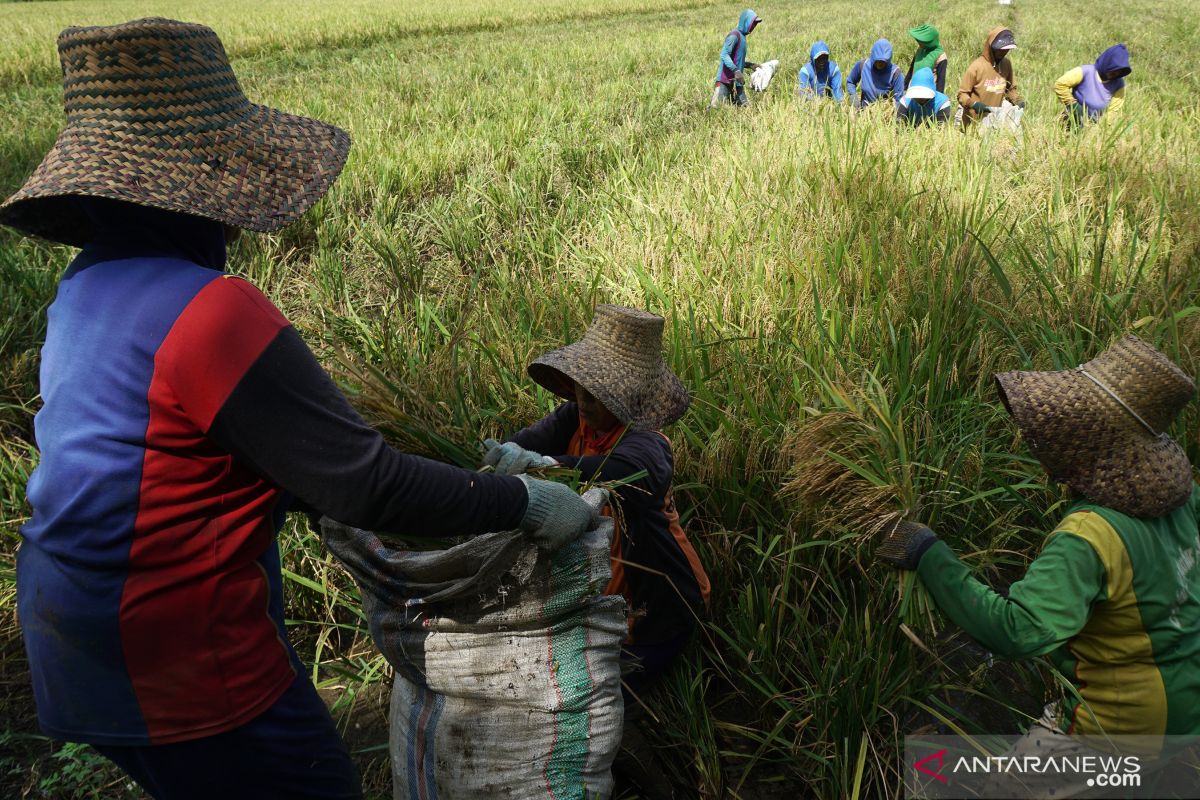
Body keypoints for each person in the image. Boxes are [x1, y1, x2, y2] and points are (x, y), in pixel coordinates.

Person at [0, 18, 599, 800]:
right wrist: (523, 500)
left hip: (71, 633)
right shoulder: (213, 311)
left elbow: (169, 451)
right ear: (204, 180)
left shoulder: (83, 288)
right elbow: (367, 485)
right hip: (179, 654)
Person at [879, 336, 1200, 787]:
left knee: (995, 790)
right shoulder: (1185, 499)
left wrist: (929, 554)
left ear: (1082, 448)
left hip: (1120, 731)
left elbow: (1019, 632)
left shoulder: (1090, 536)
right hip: (1187, 709)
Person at [482, 305, 711, 699]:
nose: (583, 402)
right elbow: (528, 441)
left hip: (657, 610)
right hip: (601, 596)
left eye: (596, 395)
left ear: (628, 398)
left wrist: (548, 466)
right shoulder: (578, 417)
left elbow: (627, 472)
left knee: (608, 697)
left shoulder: (648, 447)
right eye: (579, 390)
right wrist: (503, 461)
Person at [958, 27, 1024, 127]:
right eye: (1000, 50)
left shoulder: (1006, 64)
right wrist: (974, 104)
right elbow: (962, 95)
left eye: (1007, 50)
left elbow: (1010, 89)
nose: (1004, 52)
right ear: (991, 47)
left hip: (995, 120)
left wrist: (1018, 100)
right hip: (975, 121)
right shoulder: (976, 67)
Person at [1055, 43, 1131, 129]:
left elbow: (1113, 110)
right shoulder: (1086, 71)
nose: (1115, 73)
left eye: (1119, 70)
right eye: (1113, 68)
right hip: (1070, 121)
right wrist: (1072, 104)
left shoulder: (1119, 85)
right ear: (1107, 62)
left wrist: (1100, 129)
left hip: (1092, 127)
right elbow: (1060, 84)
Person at [711, 9, 762, 107]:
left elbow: (737, 60)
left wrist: (750, 65)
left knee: (744, 108)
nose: (754, 26)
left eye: (755, 24)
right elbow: (724, 55)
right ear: (746, 21)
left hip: (737, 83)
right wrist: (736, 71)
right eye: (753, 23)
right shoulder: (734, 35)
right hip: (724, 81)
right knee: (716, 109)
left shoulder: (742, 37)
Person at [848, 39, 905, 109]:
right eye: (877, 60)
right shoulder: (863, 65)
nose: (880, 63)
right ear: (873, 57)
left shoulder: (896, 73)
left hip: (885, 114)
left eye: (883, 61)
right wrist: (853, 97)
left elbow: (899, 100)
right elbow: (850, 82)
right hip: (864, 111)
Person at [905, 23, 948, 93]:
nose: (919, 43)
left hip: (928, 93)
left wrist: (939, 97)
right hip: (913, 90)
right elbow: (911, 69)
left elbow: (941, 80)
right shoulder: (920, 50)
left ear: (930, 42)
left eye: (922, 42)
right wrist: (905, 86)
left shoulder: (941, 56)